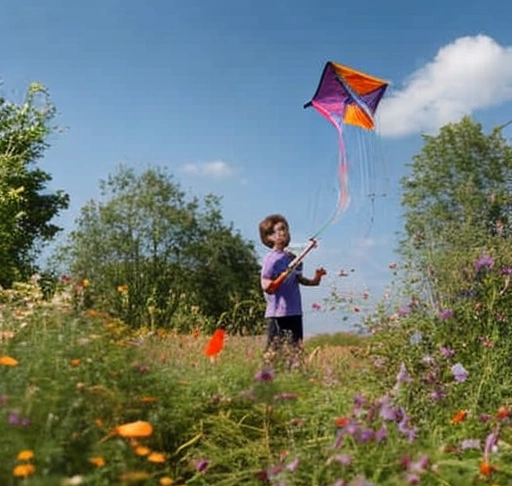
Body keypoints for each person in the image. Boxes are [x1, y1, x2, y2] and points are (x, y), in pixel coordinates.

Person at [258, 214, 326, 348]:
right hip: (278, 314)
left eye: (286, 229)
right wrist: (283, 274)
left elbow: (300, 280)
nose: (285, 232)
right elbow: (267, 286)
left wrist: (317, 278)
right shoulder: (270, 259)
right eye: (281, 229)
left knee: (296, 352)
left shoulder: (293, 258)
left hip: (295, 312)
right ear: (269, 237)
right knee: (273, 352)